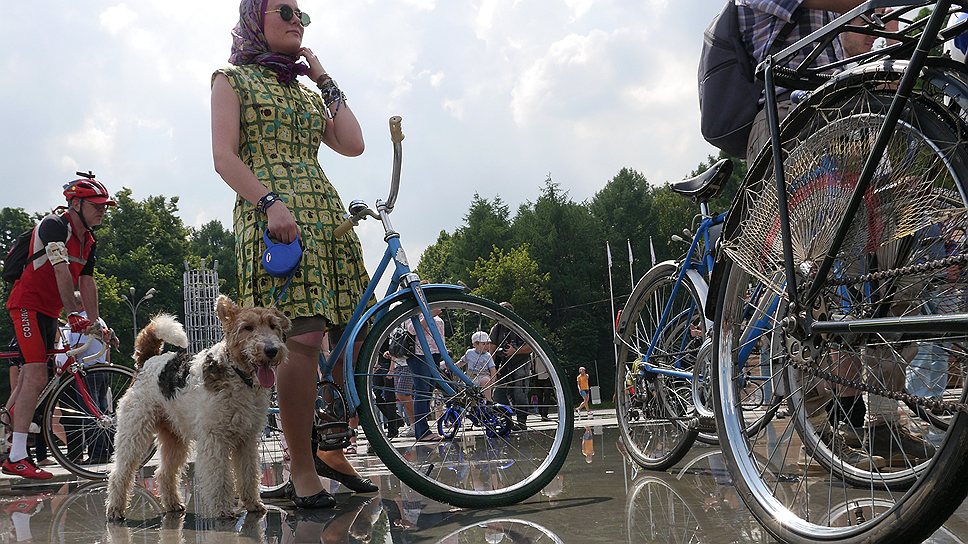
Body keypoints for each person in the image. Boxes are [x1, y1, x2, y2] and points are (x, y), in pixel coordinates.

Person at [211, 0, 376, 507]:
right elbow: (224, 156)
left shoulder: (305, 93)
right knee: (299, 336)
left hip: (324, 218)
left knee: (341, 337)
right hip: (274, 221)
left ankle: (325, 448)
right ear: (254, 18)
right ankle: (302, 468)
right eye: (283, 10)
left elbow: (353, 143)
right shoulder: (230, 79)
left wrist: (322, 74)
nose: (295, 18)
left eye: (302, 14)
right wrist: (269, 202)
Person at [4, 174, 114, 480]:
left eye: (105, 206)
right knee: (37, 373)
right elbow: (61, 268)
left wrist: (94, 323)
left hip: (49, 310)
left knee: (32, 375)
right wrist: (73, 313)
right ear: (76, 204)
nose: (102, 211)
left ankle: (9, 426)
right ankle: (17, 456)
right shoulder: (55, 225)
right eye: (97, 205)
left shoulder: (89, 239)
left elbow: (88, 282)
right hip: (28, 304)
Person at [489, 302, 533, 431]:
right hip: (503, 366)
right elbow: (492, 351)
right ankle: (507, 420)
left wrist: (515, 350)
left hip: (521, 364)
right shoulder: (496, 329)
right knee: (499, 394)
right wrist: (493, 369)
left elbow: (532, 346)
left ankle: (521, 421)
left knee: (520, 394)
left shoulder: (520, 326)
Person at [403, 308, 445, 441]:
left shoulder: (434, 312)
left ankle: (424, 428)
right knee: (422, 391)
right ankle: (421, 431)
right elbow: (412, 329)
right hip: (419, 354)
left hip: (435, 354)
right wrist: (429, 315)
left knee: (428, 391)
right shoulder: (412, 312)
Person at [457, 331, 497, 401]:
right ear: (475, 344)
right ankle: (467, 402)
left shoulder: (487, 355)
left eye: (488, 343)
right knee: (463, 385)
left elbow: (492, 369)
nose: (487, 346)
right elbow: (462, 362)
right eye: (483, 344)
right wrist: (454, 367)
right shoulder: (469, 353)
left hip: (483, 375)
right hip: (471, 376)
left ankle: (489, 400)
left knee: (486, 381)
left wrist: (493, 380)